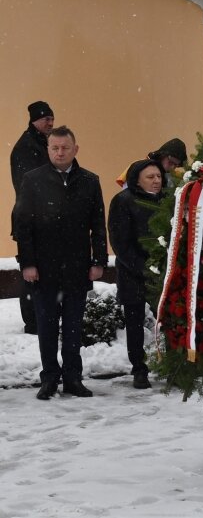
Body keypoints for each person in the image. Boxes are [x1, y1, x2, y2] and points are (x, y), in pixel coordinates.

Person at [14, 126, 108, 399]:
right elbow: (24, 225)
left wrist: (98, 260)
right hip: (44, 269)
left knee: (73, 327)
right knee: (46, 327)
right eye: (54, 148)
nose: (59, 152)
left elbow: (97, 225)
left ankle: (73, 378)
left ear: (75, 149)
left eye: (65, 147)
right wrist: (27, 263)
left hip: (78, 268)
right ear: (48, 149)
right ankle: (49, 378)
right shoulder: (33, 180)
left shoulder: (90, 181)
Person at [108, 159, 165, 389]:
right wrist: (143, 267)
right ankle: (139, 369)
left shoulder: (167, 200)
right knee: (134, 323)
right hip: (133, 271)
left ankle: (174, 364)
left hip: (162, 272)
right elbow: (120, 242)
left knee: (169, 320)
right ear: (137, 180)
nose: (156, 181)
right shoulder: (123, 201)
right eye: (150, 177)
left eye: (159, 176)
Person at [10, 101, 55, 336]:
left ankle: (43, 317)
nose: (50, 122)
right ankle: (33, 322)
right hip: (31, 218)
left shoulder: (45, 143)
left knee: (42, 270)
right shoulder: (26, 147)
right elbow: (28, 186)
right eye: (46, 118)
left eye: (52, 118)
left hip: (47, 218)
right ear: (34, 120)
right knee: (31, 271)